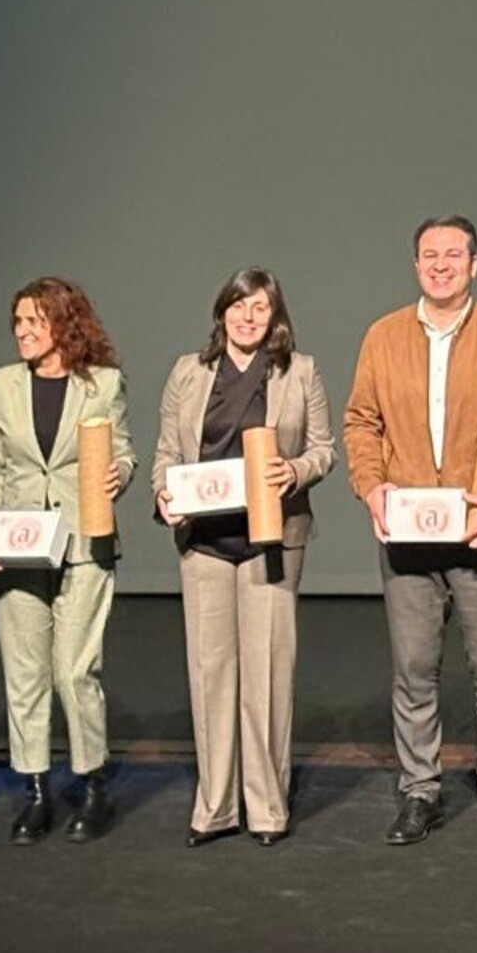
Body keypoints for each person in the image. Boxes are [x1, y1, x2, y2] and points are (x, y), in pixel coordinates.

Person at [343, 215, 477, 847]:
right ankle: (419, 791)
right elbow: (361, 422)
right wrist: (370, 485)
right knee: (413, 670)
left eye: (453, 255)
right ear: (416, 265)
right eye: (429, 255)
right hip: (407, 538)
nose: (440, 265)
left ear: (474, 265)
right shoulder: (383, 337)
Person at [149, 268, 336, 847]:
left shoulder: (300, 372)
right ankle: (215, 806)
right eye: (238, 306)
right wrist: (164, 495)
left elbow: (324, 450)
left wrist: (294, 471)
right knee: (210, 675)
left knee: (267, 675)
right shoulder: (188, 371)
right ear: (222, 311)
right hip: (204, 541)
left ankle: (268, 807)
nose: (247, 318)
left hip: (270, 541)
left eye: (259, 308)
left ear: (275, 316)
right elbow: (165, 454)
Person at [0, 276, 135, 845]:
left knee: (73, 670)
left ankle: (92, 785)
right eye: (17, 321)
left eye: (34, 321)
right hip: (18, 541)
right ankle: (36, 790)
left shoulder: (102, 384)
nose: (22, 331)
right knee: (25, 674)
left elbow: (123, 450)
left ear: (64, 324)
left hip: (84, 541)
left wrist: (120, 473)